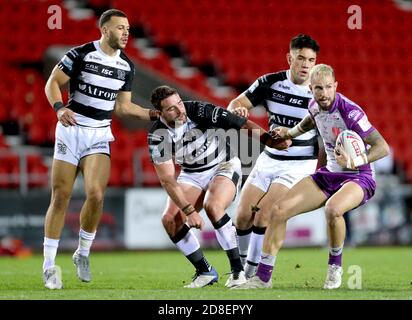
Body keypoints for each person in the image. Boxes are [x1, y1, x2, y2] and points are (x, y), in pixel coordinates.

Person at [234, 64, 390, 290]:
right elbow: (310, 120)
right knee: (278, 210)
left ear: (335, 86)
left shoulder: (350, 111)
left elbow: (382, 147)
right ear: (311, 89)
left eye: (328, 87)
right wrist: (290, 133)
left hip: (359, 176)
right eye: (318, 88)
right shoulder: (314, 105)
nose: (324, 93)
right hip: (329, 174)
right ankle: (263, 278)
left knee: (333, 209)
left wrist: (355, 161)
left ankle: (335, 267)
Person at [42, 9, 159, 290]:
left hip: (98, 134)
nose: (126, 33)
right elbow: (52, 84)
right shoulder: (80, 54)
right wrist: (59, 109)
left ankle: (82, 252)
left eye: (128, 28)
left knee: (95, 195)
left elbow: (123, 107)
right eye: (120, 28)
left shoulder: (126, 66)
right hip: (70, 131)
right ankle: (49, 267)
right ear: (105, 30)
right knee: (61, 197)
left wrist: (155, 115)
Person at [147, 85, 290, 288]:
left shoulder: (198, 110)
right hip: (191, 173)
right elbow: (168, 180)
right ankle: (205, 272)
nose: (180, 111)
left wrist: (269, 140)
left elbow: (240, 123)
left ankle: (237, 271)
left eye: (179, 103)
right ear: (160, 113)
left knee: (213, 206)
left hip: (223, 164)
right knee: (170, 220)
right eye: (171, 108)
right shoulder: (158, 135)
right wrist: (188, 211)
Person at [227, 34, 322, 278]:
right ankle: (241, 272)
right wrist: (238, 108)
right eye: (301, 58)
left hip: (299, 164)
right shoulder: (270, 83)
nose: (306, 65)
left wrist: (290, 137)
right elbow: (235, 104)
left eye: (311, 60)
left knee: (265, 213)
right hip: (269, 158)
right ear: (289, 58)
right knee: (242, 216)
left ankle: (250, 274)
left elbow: (325, 127)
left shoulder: (318, 92)